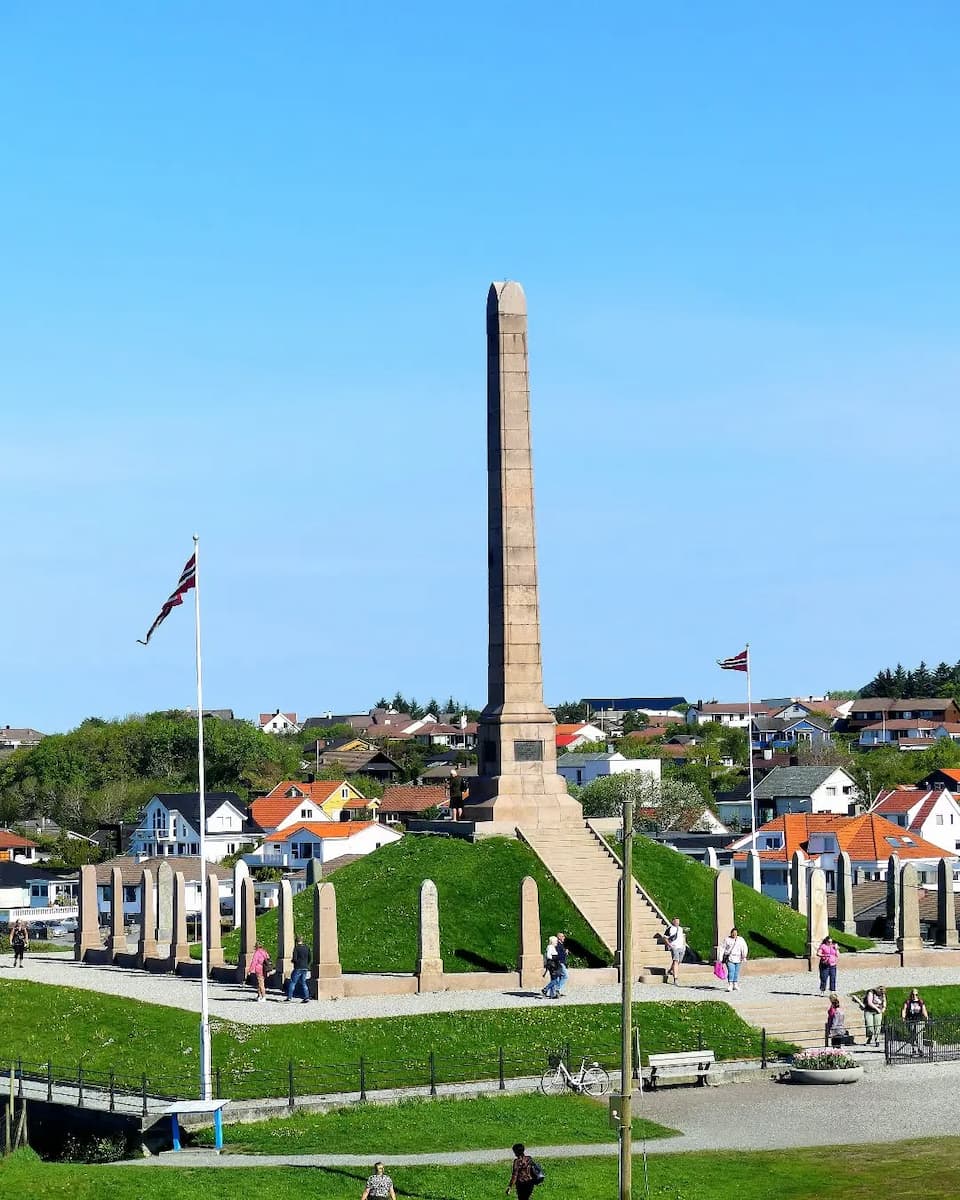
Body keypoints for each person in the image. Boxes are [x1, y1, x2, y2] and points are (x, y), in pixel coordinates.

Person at [901, 989, 929, 1056]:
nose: (914, 996)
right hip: (910, 1020)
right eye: (913, 994)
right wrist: (903, 1017)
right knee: (912, 1035)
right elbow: (904, 1010)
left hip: (920, 1020)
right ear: (911, 995)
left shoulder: (920, 1001)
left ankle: (920, 1050)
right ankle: (914, 1050)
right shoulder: (908, 1002)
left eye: (916, 994)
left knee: (919, 1035)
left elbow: (924, 1010)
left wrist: (926, 1017)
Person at [720, 927, 748, 992]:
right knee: (731, 971)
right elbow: (722, 948)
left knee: (736, 972)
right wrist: (720, 958)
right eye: (733, 933)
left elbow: (744, 947)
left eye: (735, 933)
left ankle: (735, 984)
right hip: (730, 958)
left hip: (738, 958)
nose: (734, 934)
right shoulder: (727, 940)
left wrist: (744, 956)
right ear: (731, 933)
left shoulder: (741, 939)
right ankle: (730, 985)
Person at [286, 935, 311, 1003]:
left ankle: (289, 997)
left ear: (296, 941)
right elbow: (309, 957)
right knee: (303, 982)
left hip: (298, 967)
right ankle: (307, 997)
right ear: (302, 940)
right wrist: (306, 963)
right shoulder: (307, 948)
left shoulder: (296, 948)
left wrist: (293, 961)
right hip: (305, 967)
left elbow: (294, 959)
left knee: (293, 982)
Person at [665, 917, 687, 986]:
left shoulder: (680, 929)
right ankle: (675, 979)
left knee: (679, 961)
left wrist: (684, 945)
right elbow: (665, 938)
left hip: (681, 947)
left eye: (678, 921)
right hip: (674, 947)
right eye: (676, 921)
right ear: (673, 922)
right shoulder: (669, 929)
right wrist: (670, 945)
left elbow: (683, 937)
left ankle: (671, 970)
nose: (677, 922)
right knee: (676, 961)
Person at [552, 932, 569, 999]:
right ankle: (557, 989)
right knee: (565, 976)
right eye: (562, 936)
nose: (564, 938)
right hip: (560, 963)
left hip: (561, 963)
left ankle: (557, 992)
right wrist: (565, 952)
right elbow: (558, 955)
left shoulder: (560, 944)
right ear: (559, 937)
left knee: (559, 977)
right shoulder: (558, 945)